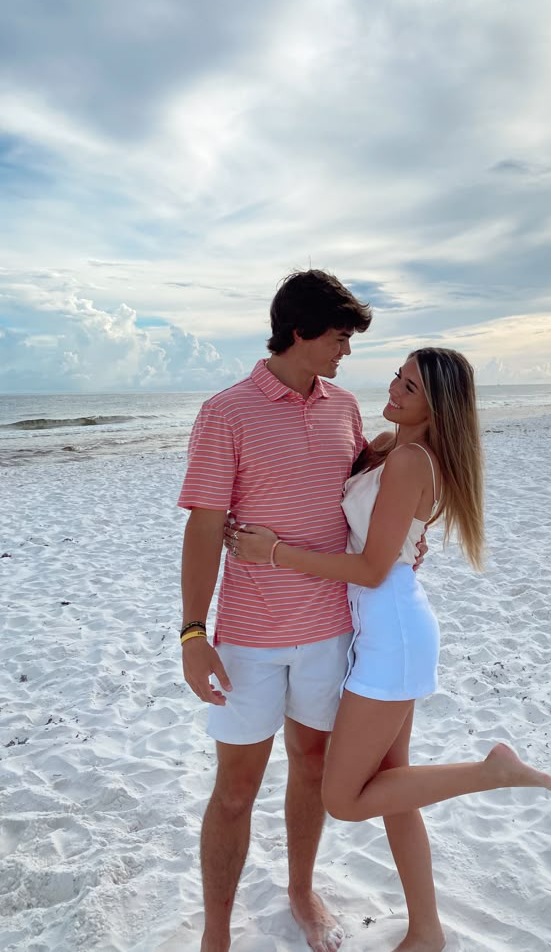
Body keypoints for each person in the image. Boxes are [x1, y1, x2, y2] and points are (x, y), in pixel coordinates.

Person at [227, 347, 551, 952]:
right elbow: (375, 529)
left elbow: (372, 568)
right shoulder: (389, 447)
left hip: (391, 638)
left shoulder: (410, 460)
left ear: (439, 404)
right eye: (399, 377)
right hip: (383, 632)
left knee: (344, 799)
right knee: (395, 789)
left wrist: (271, 552)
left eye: (412, 386)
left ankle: (491, 772)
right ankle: (427, 931)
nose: (396, 387)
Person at [178, 269, 376, 952]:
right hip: (250, 636)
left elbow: (359, 497)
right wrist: (192, 631)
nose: (345, 351)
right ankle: (216, 931)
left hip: (329, 627)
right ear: (300, 331)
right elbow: (204, 527)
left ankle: (300, 888)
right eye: (339, 337)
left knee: (313, 763)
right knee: (235, 785)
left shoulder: (345, 406)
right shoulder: (226, 411)